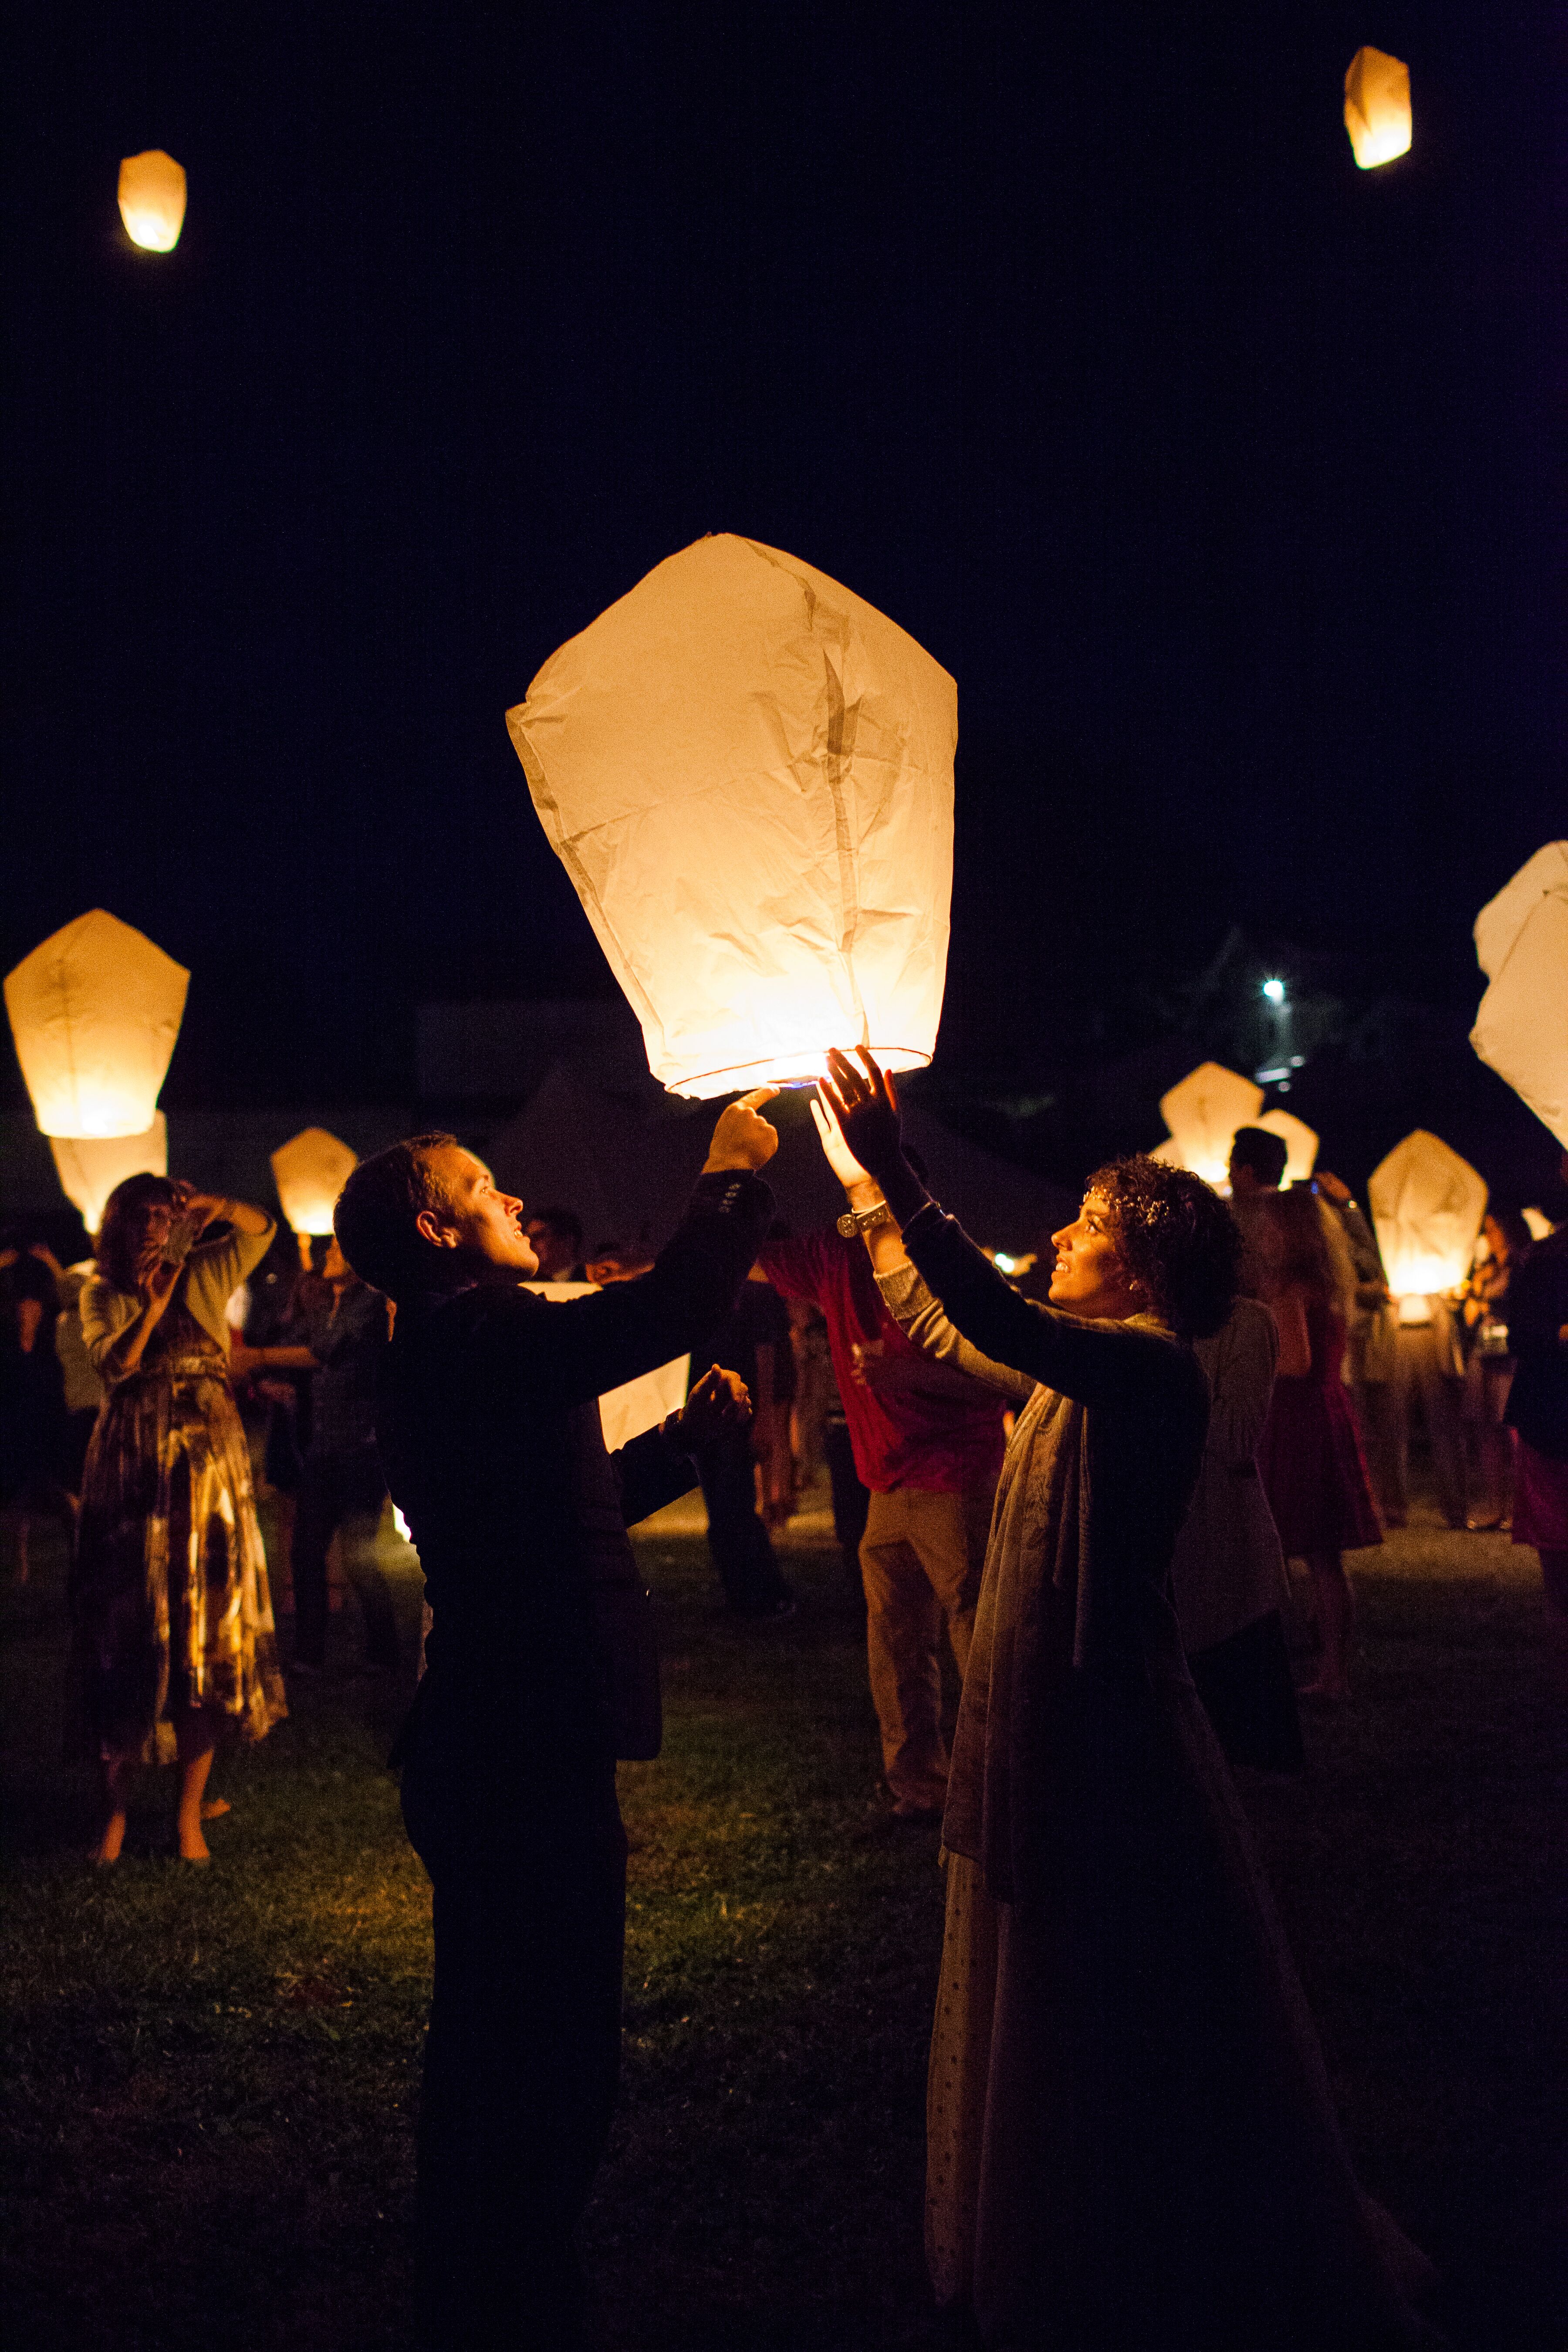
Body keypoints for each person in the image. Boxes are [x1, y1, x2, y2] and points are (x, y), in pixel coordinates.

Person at [817, 1048, 1430, 2352]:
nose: (1058, 1231)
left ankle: (1138, 2240)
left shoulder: (1150, 1369)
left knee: (1125, 1994)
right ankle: (1069, 2225)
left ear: (1144, 1272)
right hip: (1056, 1706)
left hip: (1115, 1732)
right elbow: (945, 1323)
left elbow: (996, 1318)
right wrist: (866, 1198)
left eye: (1088, 1224)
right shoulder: (1081, 1365)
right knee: (1050, 1978)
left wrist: (898, 1167)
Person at [333, 1098, 777, 2352]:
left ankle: (491, 2286)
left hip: (504, 1740)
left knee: (508, 2042)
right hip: (513, 1750)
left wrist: (687, 1447)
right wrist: (730, 1180)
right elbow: (664, 1314)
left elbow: (556, 1516)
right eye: (485, 1187)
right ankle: (504, 2300)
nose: (516, 1200)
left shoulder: (465, 1344)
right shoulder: (478, 1330)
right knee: (542, 2057)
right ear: (438, 1227)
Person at [763, 1135, 1006, 1819]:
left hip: (955, 1474)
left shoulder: (954, 1266)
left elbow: (999, 1380)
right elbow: (751, 1263)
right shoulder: (837, 1259)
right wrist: (640, 1268)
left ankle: (1001, 1784)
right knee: (895, 1639)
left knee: (976, 1630)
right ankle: (919, 1784)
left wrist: (909, 1374)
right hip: (886, 1482)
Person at [72, 1178, 285, 1865]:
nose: (155, 1230)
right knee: (126, 1628)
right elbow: (116, 1363)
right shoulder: (101, 1291)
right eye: (142, 1219)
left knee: (207, 1629)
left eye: (165, 1218)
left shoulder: (205, 1268)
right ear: (119, 1226)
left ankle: (189, 1814)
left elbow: (262, 1232)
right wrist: (153, 1304)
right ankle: (117, 1813)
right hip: (133, 1463)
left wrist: (219, 1206)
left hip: (206, 1464)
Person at [235, 1233, 401, 1676]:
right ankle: (309, 1655)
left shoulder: (371, 1305)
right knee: (306, 1552)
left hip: (364, 1450)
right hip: (323, 1451)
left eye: (337, 1249)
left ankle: (384, 1655)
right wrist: (263, 1378)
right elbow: (290, 1345)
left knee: (358, 1556)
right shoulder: (323, 1304)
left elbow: (324, 1351)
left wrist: (253, 1356)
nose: (329, 1254)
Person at [1250, 1187, 1382, 1702]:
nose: (1262, 1235)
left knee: (1313, 1552)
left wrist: (1253, 1360)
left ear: (1290, 1232)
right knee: (1323, 1555)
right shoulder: (1326, 1284)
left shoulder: (1290, 1290)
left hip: (1300, 1418)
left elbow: (1295, 1364)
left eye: (1270, 1226)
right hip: (1327, 1411)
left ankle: (1329, 1672)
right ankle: (1329, 1665)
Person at [1174, 1291, 1304, 1771]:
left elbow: (1235, 1438)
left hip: (1223, 1543)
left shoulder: (1244, 1323)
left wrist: (1156, 1377)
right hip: (1152, 1552)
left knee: (1247, 1747)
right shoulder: (1114, 1327)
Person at [693, 1259, 797, 1619]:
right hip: (704, 1410)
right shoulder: (705, 1285)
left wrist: (764, 1417)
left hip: (738, 1410)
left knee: (734, 1506)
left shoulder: (754, 1289)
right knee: (721, 1509)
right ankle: (742, 1596)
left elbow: (765, 1354)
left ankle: (766, 1595)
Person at [1502, 1162, 1568, 1690]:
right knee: (1558, 1547)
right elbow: (1524, 1335)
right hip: (1553, 1415)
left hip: (1549, 1414)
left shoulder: (1542, 1257)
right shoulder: (1544, 1258)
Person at [1316, 1169, 1403, 1524]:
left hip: (1371, 1341)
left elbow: (1377, 1271)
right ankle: (1365, 1506)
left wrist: (1349, 1205)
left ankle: (1391, 1505)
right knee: (1356, 1428)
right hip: (1342, 1343)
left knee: (1382, 1427)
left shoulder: (1351, 1234)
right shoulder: (1315, 1241)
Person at [0, 1233, 69, 1578]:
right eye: (22, 1309)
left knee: (58, 1492)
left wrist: (52, 1264)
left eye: (34, 1308)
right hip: (15, 1428)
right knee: (16, 1497)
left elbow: (71, 1297)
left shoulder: (48, 1350)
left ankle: (79, 1554)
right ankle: (21, 1560)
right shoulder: (8, 1351)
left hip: (43, 1427)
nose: (29, 1312)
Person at [1458, 1209, 1530, 1531]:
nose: (1488, 1236)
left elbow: (1521, 1303)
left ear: (1508, 1231)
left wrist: (1485, 1304)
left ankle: (1520, 1509)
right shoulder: (1486, 1268)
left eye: (1493, 1229)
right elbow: (1472, 1310)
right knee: (1486, 1428)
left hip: (1509, 1354)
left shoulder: (1523, 1264)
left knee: (1511, 1429)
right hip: (1483, 1350)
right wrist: (1471, 1293)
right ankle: (1495, 1507)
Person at [524, 1205, 586, 1282]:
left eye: (539, 1236)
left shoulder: (591, 1282)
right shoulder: (524, 1282)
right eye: (528, 1237)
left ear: (568, 1241)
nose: (530, 1242)